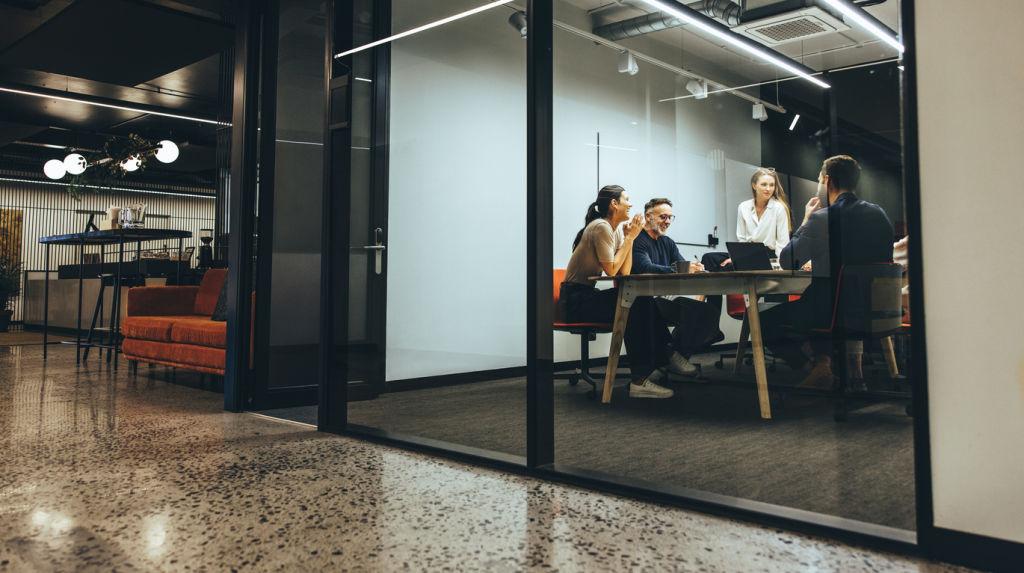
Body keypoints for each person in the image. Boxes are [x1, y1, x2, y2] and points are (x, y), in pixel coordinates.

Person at [761, 155, 895, 387]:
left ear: (827, 181)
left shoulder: (823, 218)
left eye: (818, 181)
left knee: (765, 322)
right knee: (817, 299)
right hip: (876, 309)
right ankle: (824, 365)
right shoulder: (880, 215)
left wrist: (806, 220)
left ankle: (815, 367)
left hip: (834, 310)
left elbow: (787, 261)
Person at [561, 186, 693, 399]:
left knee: (639, 300)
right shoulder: (600, 227)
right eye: (627, 199)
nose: (631, 204)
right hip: (576, 301)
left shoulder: (614, 230)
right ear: (614, 204)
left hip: (586, 297)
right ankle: (648, 373)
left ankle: (661, 359)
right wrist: (631, 238)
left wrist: (628, 238)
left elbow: (625, 272)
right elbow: (612, 271)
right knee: (636, 302)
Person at [632, 198, 724, 366]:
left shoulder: (667, 242)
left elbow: (683, 267)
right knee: (696, 314)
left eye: (670, 217)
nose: (667, 222)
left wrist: (696, 268)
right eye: (663, 217)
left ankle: (676, 355)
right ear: (648, 216)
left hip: (665, 297)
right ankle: (674, 356)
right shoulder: (637, 240)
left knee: (708, 312)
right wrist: (681, 269)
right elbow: (646, 267)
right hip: (645, 302)